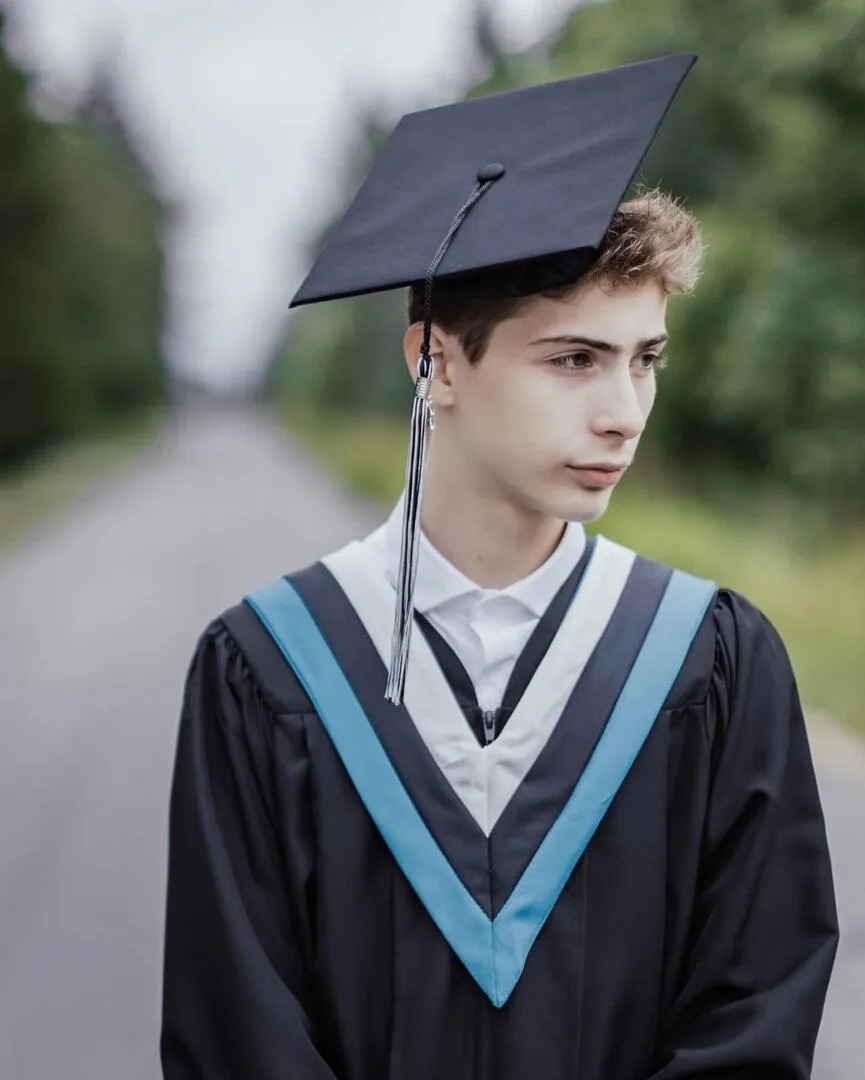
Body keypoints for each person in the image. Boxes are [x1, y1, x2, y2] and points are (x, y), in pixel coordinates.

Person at [160, 55, 838, 1079]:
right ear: (433, 361)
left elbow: (753, 1020)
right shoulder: (266, 670)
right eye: (573, 359)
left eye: (643, 358)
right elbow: (236, 1036)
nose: (622, 412)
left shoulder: (709, 661)